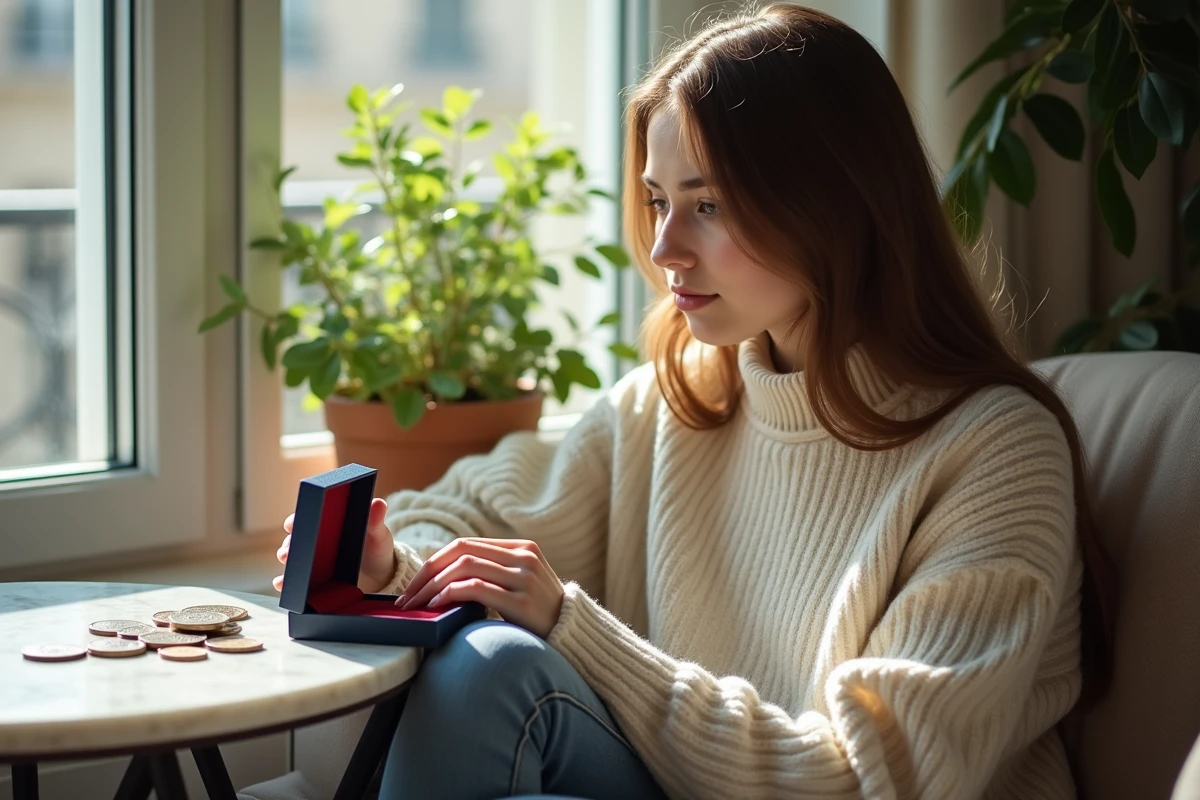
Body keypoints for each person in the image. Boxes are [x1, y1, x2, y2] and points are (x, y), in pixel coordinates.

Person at [274, 4, 1117, 798]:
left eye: (708, 204)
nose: (667, 248)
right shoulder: (682, 403)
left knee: (497, 672)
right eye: (658, 201)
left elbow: (871, 778)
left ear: (834, 205)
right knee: (485, 661)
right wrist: (397, 570)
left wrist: (572, 623)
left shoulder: (996, 454)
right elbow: (455, 512)